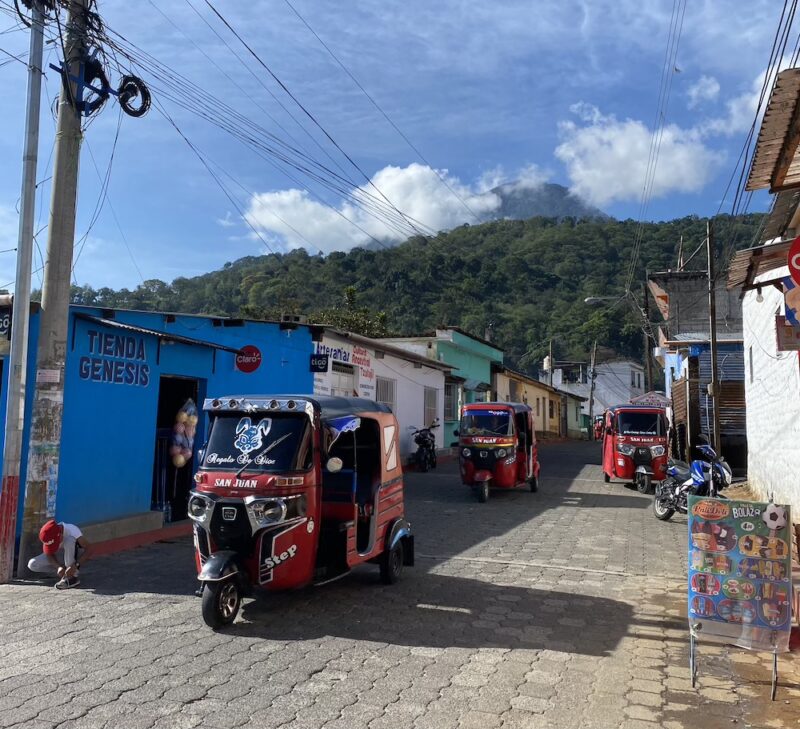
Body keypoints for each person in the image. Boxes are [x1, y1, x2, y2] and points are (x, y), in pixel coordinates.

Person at [27, 519, 89, 589]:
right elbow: (48, 554)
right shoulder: (48, 534)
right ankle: (64, 573)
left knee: (69, 540)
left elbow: (89, 550)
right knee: (32, 564)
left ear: (59, 535)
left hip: (74, 555)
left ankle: (71, 578)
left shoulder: (73, 531)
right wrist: (58, 567)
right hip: (59, 556)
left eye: (56, 543)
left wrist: (76, 565)